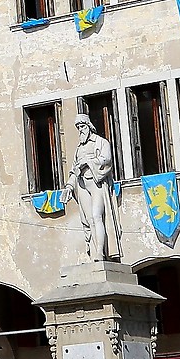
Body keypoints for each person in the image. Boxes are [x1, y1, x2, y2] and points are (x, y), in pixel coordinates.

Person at [71, 111, 119, 264]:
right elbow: (73, 170)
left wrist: (89, 162)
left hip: (97, 183)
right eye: (78, 126)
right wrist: (68, 187)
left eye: (82, 125)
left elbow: (107, 160)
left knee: (97, 216)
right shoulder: (79, 148)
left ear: (89, 126)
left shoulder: (101, 142)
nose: (80, 129)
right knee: (89, 220)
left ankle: (100, 252)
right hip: (83, 185)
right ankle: (94, 253)